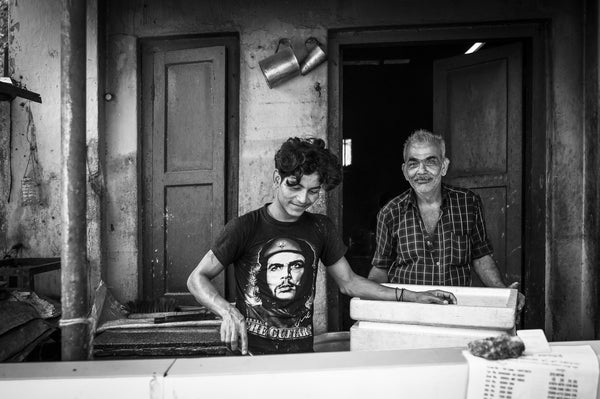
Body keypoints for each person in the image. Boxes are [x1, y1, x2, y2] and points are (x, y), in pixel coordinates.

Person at [187, 137, 456, 355]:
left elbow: (350, 283)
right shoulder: (245, 227)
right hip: (251, 356)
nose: (303, 198)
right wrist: (227, 311)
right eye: (294, 186)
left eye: (313, 191)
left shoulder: (320, 228)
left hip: (302, 355)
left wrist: (412, 296)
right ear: (276, 179)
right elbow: (197, 278)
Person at [367, 129, 525, 315]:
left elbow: (481, 257)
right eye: (413, 163)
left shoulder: (468, 203)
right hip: (408, 313)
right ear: (404, 171)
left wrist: (502, 292)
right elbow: (381, 268)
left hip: (455, 310)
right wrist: (368, 305)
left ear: (444, 166)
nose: (421, 171)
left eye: (430, 161)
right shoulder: (390, 213)